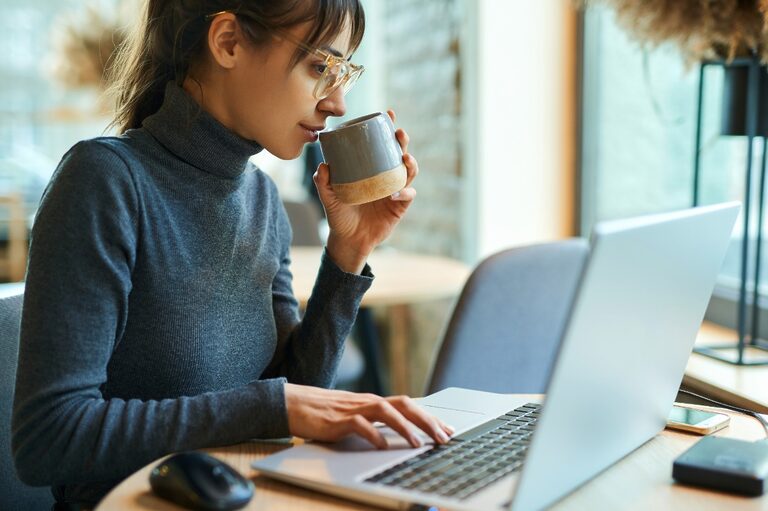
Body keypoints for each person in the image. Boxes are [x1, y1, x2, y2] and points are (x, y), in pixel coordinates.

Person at [11, 0, 453, 507]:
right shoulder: (104, 182)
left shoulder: (262, 200)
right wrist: (274, 405)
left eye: (345, 73)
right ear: (228, 42)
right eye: (321, 68)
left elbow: (292, 400)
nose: (337, 103)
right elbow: (48, 438)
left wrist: (348, 253)